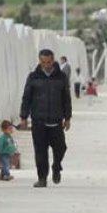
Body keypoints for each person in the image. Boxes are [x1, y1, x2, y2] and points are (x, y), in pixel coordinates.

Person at [20, 49, 72, 187]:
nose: (46, 65)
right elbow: (26, 98)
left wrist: (67, 117)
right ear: (39, 61)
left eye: (49, 62)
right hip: (38, 120)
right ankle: (42, 178)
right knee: (40, 151)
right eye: (43, 62)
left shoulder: (61, 77)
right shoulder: (33, 77)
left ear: (53, 60)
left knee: (61, 148)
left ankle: (56, 166)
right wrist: (23, 117)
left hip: (56, 120)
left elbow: (66, 98)